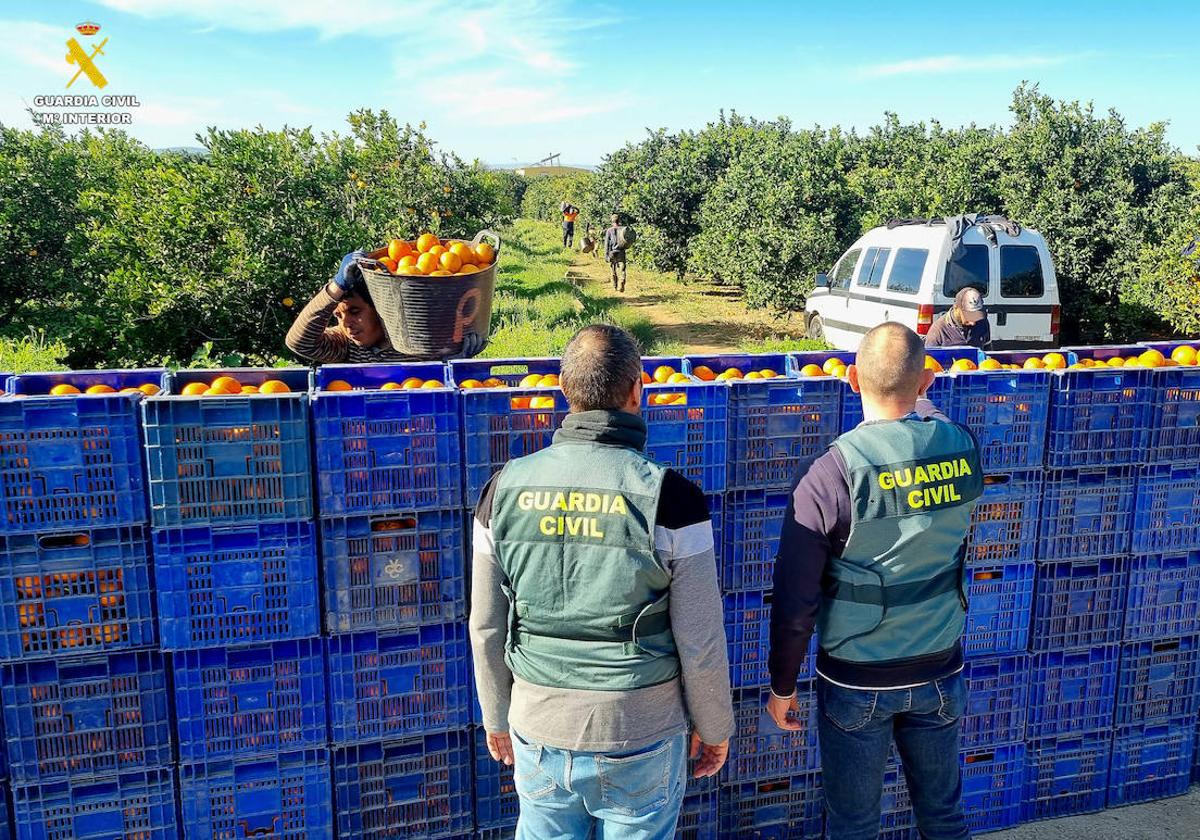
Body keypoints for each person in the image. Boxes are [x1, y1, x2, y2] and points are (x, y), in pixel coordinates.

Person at [470, 323, 733, 840]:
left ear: (564, 393)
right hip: (639, 729)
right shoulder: (673, 498)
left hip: (538, 722)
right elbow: (700, 638)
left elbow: (485, 624)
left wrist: (497, 714)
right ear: (638, 390)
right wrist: (715, 726)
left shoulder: (502, 489)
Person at [766, 322, 983, 840]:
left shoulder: (829, 474)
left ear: (850, 379)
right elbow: (929, 425)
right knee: (945, 817)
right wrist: (921, 396)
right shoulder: (962, 446)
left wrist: (782, 684)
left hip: (857, 679)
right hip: (940, 668)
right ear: (927, 382)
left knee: (854, 824)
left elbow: (797, 600)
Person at [286, 251, 483, 363]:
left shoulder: (417, 339)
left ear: (381, 306)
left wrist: (457, 362)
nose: (346, 324)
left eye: (355, 312)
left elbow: (439, 391)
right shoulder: (346, 345)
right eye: (338, 315)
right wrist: (336, 287)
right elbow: (299, 343)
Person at [925, 287, 991, 349]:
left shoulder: (983, 322)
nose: (973, 323)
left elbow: (988, 351)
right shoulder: (939, 329)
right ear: (956, 308)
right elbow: (929, 359)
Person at [604, 213, 628, 293]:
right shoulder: (623, 229)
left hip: (612, 252)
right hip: (621, 251)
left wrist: (606, 255)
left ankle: (615, 286)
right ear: (619, 221)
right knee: (622, 268)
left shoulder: (609, 230)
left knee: (613, 269)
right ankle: (622, 280)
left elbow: (607, 244)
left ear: (612, 221)